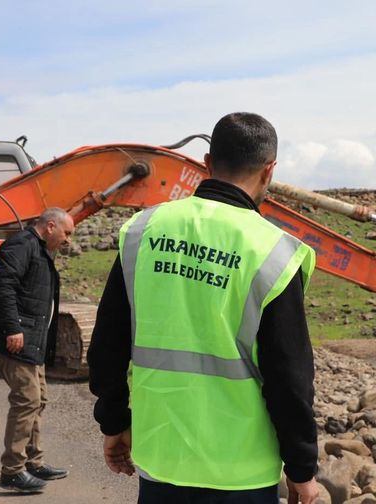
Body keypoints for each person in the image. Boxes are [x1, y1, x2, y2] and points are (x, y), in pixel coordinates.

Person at [88, 112, 320, 503]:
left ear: (207, 164)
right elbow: (290, 379)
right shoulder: (274, 252)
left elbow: (107, 345)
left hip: (161, 458)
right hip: (240, 473)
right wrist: (301, 470)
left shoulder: (143, 232)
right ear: (269, 171)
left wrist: (114, 422)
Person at [0, 207, 75, 493]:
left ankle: (33, 462)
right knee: (27, 398)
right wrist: (12, 327)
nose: (69, 240)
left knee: (39, 399)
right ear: (50, 226)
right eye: (67, 233)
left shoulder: (39, 250)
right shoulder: (21, 245)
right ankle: (12, 470)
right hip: (15, 338)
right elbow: (3, 286)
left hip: (32, 340)